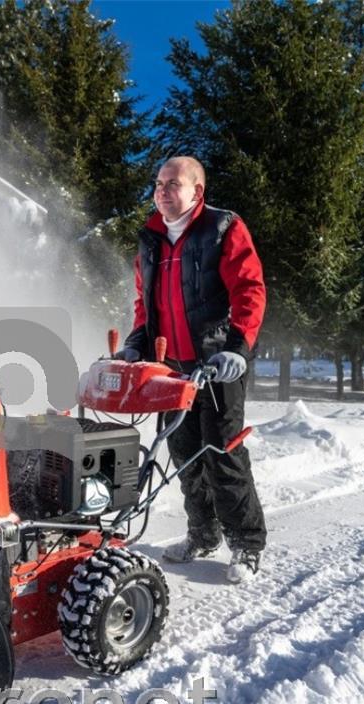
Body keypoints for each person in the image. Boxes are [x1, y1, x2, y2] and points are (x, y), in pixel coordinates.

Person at [114, 156, 267, 582]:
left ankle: (246, 545)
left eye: (173, 183)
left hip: (217, 366)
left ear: (197, 191)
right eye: (158, 183)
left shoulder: (222, 228)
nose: (162, 190)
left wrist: (237, 348)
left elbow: (249, 290)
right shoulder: (150, 239)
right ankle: (202, 534)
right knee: (184, 456)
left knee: (222, 454)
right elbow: (146, 306)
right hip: (172, 370)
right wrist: (134, 345)